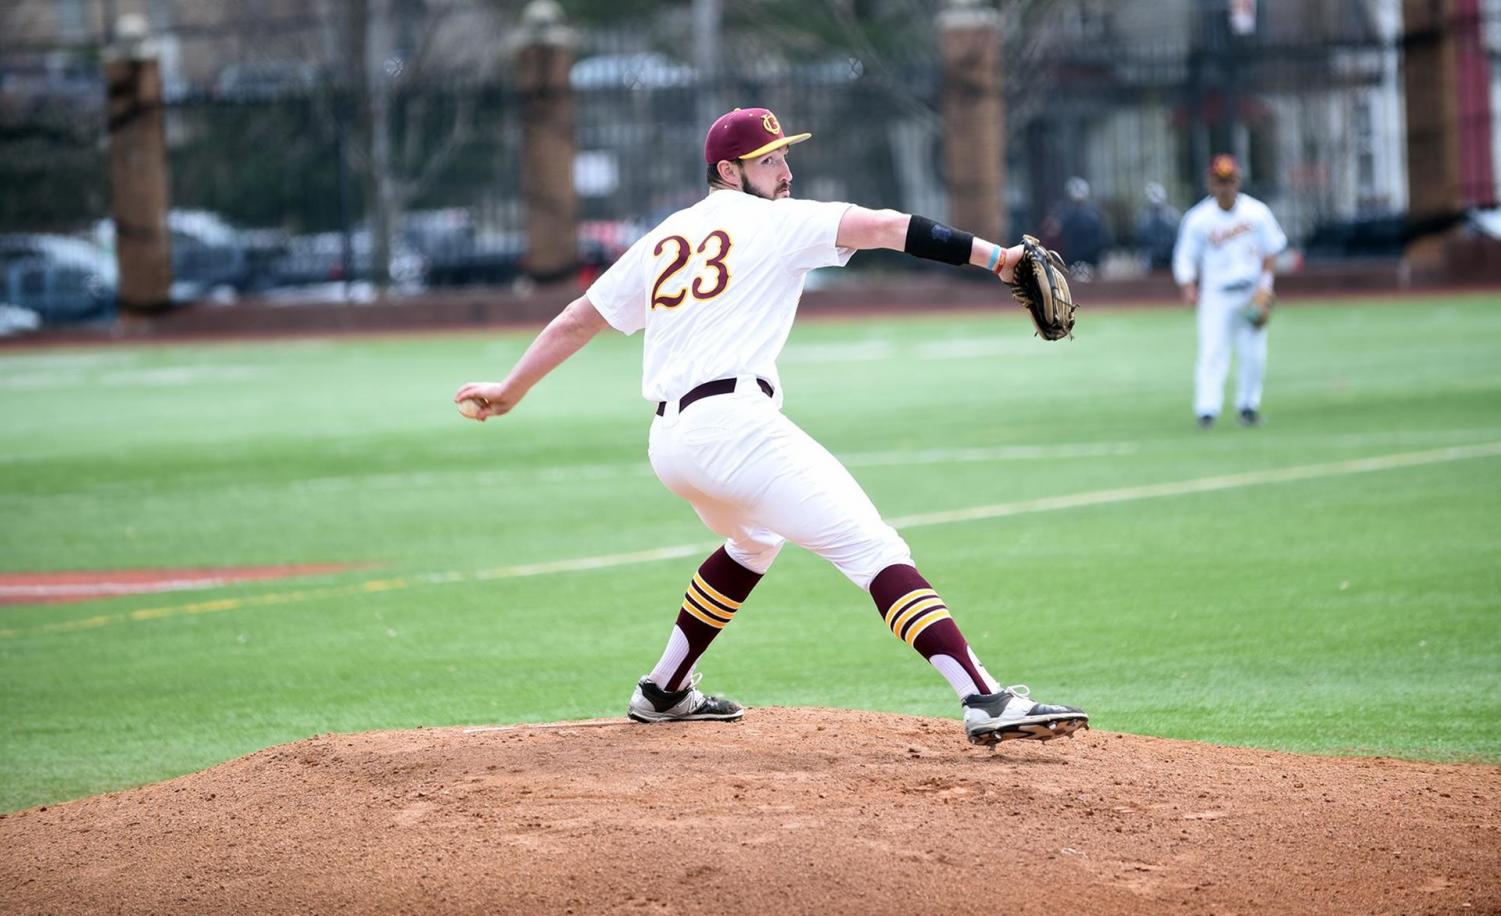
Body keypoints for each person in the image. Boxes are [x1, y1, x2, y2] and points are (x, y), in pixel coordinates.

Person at [454, 107, 1087, 747]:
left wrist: (510, 390)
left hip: (672, 444)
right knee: (873, 549)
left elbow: (576, 320)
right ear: (729, 170)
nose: (786, 170)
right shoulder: (778, 222)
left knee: (752, 542)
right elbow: (890, 227)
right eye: (770, 160)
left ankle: (664, 690)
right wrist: (1000, 258)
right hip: (734, 429)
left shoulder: (666, 235)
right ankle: (984, 698)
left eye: (785, 156)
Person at [1172, 154, 1288, 428]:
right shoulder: (1198, 218)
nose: (1224, 186)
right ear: (1210, 183)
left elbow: (1271, 250)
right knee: (1213, 351)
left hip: (1250, 291)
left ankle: (1248, 406)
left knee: (1253, 353)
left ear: (1238, 181)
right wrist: (1188, 286)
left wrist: (1265, 288)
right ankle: (1207, 410)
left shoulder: (1257, 212)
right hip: (1216, 294)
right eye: (1219, 181)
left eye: (1229, 180)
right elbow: (1185, 257)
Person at [1042, 177, 1110, 277]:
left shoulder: (1094, 212)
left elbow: (1104, 236)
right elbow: (1052, 232)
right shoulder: (1062, 211)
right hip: (1071, 259)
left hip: (1091, 259)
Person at [1135, 182, 1179, 271]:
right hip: (1151, 261)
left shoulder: (1172, 216)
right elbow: (1140, 241)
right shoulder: (1143, 217)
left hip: (1169, 259)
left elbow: (1176, 237)